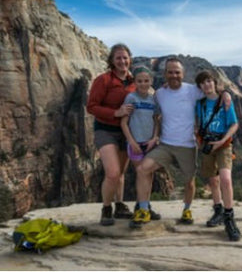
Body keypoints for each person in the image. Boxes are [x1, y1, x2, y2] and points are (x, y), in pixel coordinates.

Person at [129, 57, 203, 229]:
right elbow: (153, 114)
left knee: (189, 180)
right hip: (165, 145)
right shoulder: (159, 94)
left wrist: (227, 94)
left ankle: (187, 209)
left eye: (177, 72)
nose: (174, 75)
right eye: (170, 72)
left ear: (183, 74)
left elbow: (213, 93)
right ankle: (144, 209)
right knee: (142, 169)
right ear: (165, 74)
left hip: (187, 145)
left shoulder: (193, 91)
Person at [86, 43, 135, 226]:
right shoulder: (103, 80)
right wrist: (116, 113)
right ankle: (106, 208)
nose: (122, 61)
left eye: (125, 57)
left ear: (130, 59)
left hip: (126, 132)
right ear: (112, 61)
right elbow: (91, 106)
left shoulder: (133, 81)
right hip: (105, 130)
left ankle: (119, 205)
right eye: (118, 58)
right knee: (113, 173)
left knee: (121, 173)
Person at [195, 70, 241, 241]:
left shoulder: (225, 101)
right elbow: (198, 124)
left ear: (214, 82)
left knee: (225, 179)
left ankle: (229, 218)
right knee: (213, 181)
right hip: (207, 145)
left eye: (209, 81)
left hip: (223, 145)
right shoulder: (199, 104)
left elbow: (234, 124)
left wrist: (222, 141)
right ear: (200, 87)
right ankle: (218, 211)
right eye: (203, 83)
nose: (207, 85)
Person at [119, 66, 161, 220]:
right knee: (141, 173)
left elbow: (156, 122)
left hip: (150, 144)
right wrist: (131, 141)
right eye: (140, 81)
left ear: (151, 81)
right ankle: (142, 206)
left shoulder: (153, 100)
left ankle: (144, 205)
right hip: (135, 144)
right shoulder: (131, 98)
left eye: (146, 81)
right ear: (134, 82)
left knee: (148, 174)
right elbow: (124, 122)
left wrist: (154, 138)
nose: (143, 84)